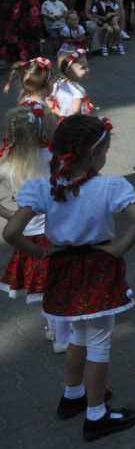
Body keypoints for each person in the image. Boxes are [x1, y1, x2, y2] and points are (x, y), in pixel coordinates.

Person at [4, 115, 135, 440]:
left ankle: (73, 396)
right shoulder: (110, 186)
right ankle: (96, 415)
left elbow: (12, 231)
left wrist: (40, 253)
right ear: (94, 155)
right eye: (106, 149)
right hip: (97, 267)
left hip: (63, 270)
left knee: (77, 335)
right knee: (98, 341)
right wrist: (119, 247)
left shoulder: (43, 188)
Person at [0, 105, 64, 349]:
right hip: (54, 233)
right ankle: (61, 336)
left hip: (28, 236)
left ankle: (52, 326)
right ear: (44, 134)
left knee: (46, 285)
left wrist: (11, 215)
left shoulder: (9, 163)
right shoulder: (53, 161)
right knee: (58, 283)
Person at [53, 48, 92, 117]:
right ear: (69, 72)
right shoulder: (78, 90)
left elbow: (48, 100)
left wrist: (61, 114)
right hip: (78, 123)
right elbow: (76, 111)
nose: (87, 69)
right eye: (83, 67)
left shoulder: (57, 85)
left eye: (86, 66)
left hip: (65, 122)